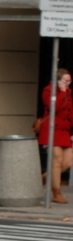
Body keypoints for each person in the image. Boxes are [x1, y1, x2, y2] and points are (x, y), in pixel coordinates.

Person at [37, 68, 73, 203]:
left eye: (69, 80)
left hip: (64, 131)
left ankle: (44, 177)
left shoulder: (69, 92)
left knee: (68, 161)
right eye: (65, 80)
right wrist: (62, 92)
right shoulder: (49, 90)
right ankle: (56, 194)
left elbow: (70, 113)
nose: (68, 83)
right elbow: (54, 108)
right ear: (58, 80)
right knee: (56, 161)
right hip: (52, 130)